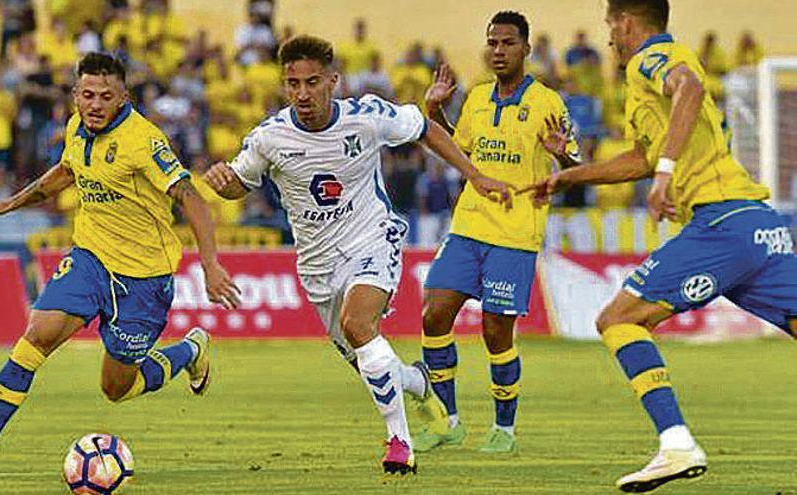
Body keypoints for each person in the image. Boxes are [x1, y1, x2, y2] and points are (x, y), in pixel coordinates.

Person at [204, 35, 513, 474]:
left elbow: (424, 129)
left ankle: (399, 442)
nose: (303, 93)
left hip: (373, 238)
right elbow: (241, 182)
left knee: (358, 323)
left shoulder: (367, 116)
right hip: (317, 266)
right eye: (293, 84)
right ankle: (418, 382)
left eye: (313, 82)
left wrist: (474, 175)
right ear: (284, 85)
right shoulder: (269, 138)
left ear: (334, 81)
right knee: (368, 360)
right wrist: (223, 181)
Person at [0, 52, 239, 490]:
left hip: (143, 280)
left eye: (105, 96)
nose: (94, 104)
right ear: (75, 94)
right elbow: (63, 173)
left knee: (117, 388)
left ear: (122, 98)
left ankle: (190, 352)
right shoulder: (77, 127)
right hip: (90, 260)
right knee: (34, 338)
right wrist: (9, 203)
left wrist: (210, 266)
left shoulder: (143, 140)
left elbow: (190, 197)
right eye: (87, 94)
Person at [519, 0, 789, 491]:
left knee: (619, 319)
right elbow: (642, 157)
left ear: (624, 22)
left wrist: (665, 174)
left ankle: (677, 443)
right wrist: (572, 176)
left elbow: (687, 86)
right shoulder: (646, 84)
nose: (608, 40)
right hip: (756, 223)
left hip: (719, 222)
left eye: (609, 27)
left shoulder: (652, 58)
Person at [415, 11, 580, 455]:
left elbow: (578, 168)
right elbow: (458, 147)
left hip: (515, 232)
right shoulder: (477, 98)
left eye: (508, 43)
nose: (498, 51)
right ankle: (448, 421)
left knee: (495, 330)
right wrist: (434, 110)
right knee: (433, 316)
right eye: (492, 43)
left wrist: (561, 156)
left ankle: (504, 429)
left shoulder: (548, 102)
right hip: (468, 224)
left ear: (526, 48)